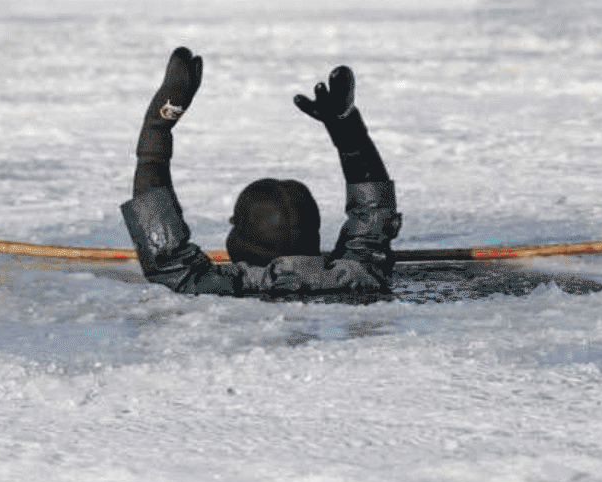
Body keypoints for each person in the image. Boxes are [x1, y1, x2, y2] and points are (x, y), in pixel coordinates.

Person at [121, 47, 402, 297]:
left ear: (241, 241)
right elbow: (373, 217)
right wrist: (350, 135)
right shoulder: (360, 277)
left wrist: (157, 128)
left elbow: (167, 258)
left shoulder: (211, 288)